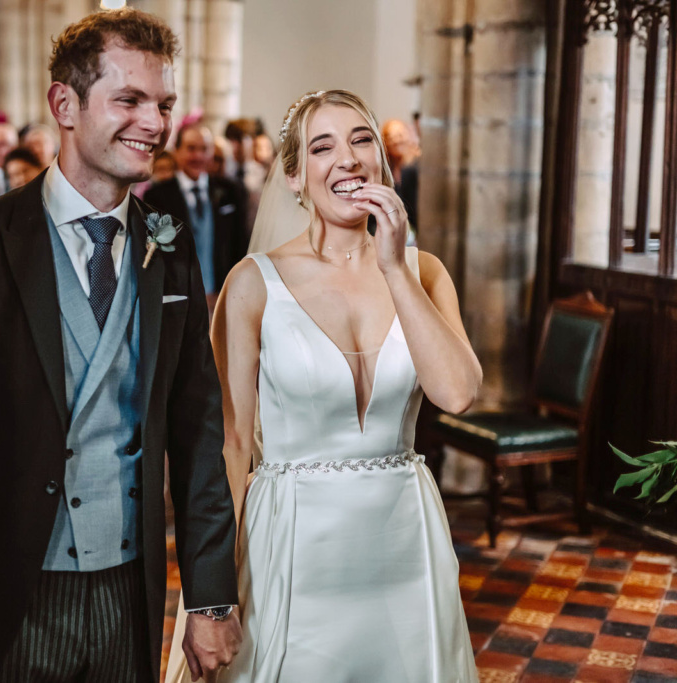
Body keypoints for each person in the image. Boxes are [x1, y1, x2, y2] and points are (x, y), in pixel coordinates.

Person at [0, 9, 242, 683]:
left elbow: (199, 433)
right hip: (12, 593)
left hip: (129, 590)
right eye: (130, 100)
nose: (154, 123)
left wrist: (210, 594)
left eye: (163, 103)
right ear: (65, 104)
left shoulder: (168, 250)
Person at [166, 90, 481, 682]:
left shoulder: (425, 272)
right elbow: (229, 447)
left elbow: (458, 393)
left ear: (383, 165)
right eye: (322, 146)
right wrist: (210, 597)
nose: (349, 159)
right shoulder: (252, 285)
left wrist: (394, 266)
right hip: (292, 546)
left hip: (404, 542)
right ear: (293, 177)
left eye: (362, 140)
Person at [143, 123, 248, 300]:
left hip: (222, 296)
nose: (198, 156)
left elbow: (240, 245)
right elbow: (154, 254)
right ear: (177, 151)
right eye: (191, 149)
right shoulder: (156, 197)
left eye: (204, 149)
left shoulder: (231, 192)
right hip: (177, 297)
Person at [382, 118, 421, 233]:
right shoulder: (384, 168)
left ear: (408, 136)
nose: (396, 140)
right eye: (390, 137)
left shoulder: (417, 166)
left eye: (400, 135)